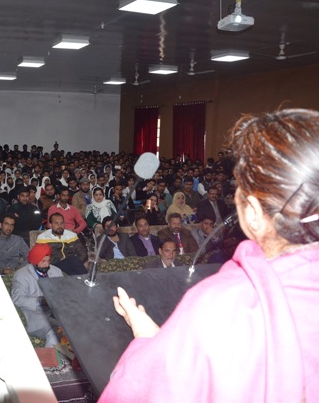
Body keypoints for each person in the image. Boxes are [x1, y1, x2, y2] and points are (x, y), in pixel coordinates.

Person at [99, 108, 319, 402]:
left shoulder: (226, 301)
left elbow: (148, 391)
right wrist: (162, 342)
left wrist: (144, 342)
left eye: (238, 190)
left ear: (253, 212)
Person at [11, 243, 64, 347]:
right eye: (43, 261)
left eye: (48, 260)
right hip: (35, 314)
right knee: (56, 330)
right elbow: (17, 299)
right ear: (34, 261)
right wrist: (41, 300)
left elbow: (63, 292)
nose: (47, 265)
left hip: (57, 312)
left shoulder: (56, 271)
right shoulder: (21, 275)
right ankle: (50, 357)